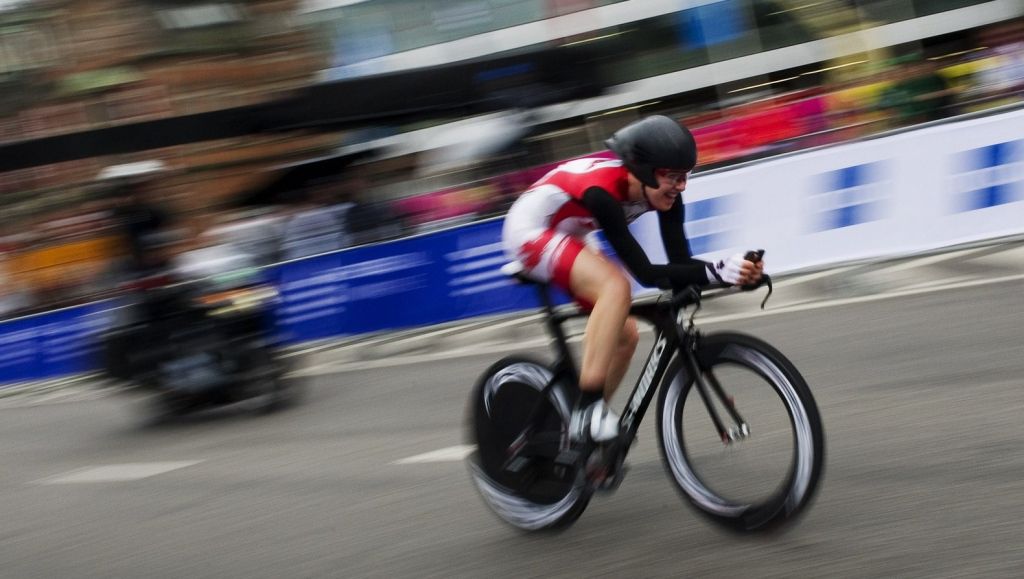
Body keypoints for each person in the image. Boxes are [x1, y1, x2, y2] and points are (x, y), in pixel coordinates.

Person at [501, 115, 763, 448]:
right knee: (616, 287)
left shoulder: (666, 196)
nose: (681, 186)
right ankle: (588, 411)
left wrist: (736, 274)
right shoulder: (603, 193)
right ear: (643, 170)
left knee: (624, 334)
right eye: (673, 177)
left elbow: (680, 265)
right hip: (529, 228)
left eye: (686, 176)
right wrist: (715, 272)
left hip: (571, 230)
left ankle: (579, 429)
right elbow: (646, 273)